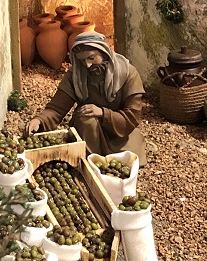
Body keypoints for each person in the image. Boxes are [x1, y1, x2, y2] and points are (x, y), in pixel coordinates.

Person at [25, 31, 147, 165]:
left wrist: (102, 113)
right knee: (86, 118)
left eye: (91, 58)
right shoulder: (76, 75)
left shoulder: (128, 73)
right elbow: (57, 108)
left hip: (119, 130)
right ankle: (90, 160)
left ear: (104, 52)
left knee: (128, 160)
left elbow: (132, 116)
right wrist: (39, 120)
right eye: (82, 60)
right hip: (88, 132)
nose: (88, 65)